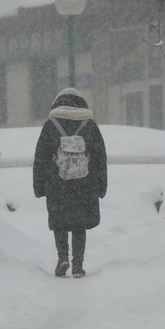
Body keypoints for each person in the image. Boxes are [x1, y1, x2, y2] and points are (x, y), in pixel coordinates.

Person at [33, 87, 108, 278]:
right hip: (85, 183)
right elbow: (100, 157)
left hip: (57, 182)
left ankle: (62, 257)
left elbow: (40, 157)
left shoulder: (51, 125)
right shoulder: (89, 125)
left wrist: (39, 186)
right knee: (79, 224)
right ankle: (78, 265)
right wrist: (101, 185)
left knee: (60, 222)